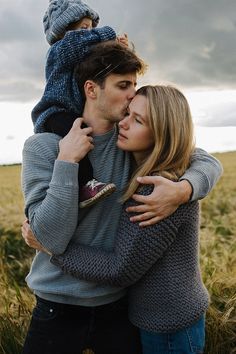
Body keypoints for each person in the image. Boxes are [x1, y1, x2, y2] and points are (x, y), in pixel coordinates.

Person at [21, 41, 222, 354]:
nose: (133, 95)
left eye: (135, 85)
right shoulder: (43, 147)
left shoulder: (131, 140)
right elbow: (50, 238)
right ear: (92, 89)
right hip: (57, 306)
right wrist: (67, 162)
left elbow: (198, 158)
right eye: (123, 85)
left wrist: (184, 189)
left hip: (117, 308)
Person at [32, 0, 126, 208]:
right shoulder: (61, 49)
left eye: (92, 27)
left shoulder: (80, 53)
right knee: (79, 135)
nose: (91, 32)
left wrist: (117, 48)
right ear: (64, 31)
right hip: (56, 112)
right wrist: (108, 34)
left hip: (73, 111)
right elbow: (77, 42)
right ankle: (85, 185)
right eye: (85, 27)